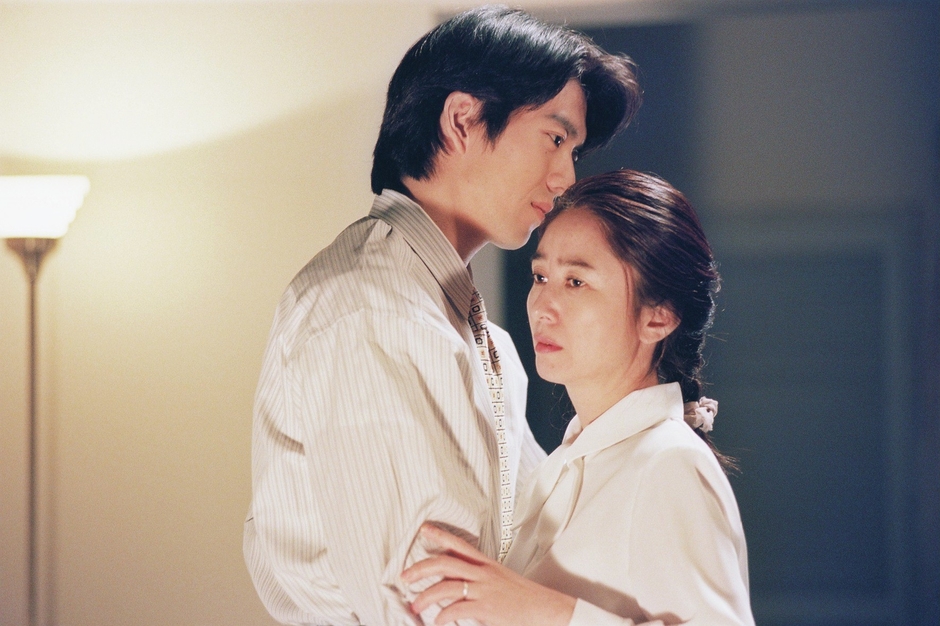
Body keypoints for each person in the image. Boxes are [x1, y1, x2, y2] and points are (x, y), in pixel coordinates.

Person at [243, 6, 642, 625]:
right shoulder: (374, 309)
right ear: (463, 120)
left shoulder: (475, 334)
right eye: (555, 138)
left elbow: (539, 544)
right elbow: (429, 605)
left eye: (573, 150)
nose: (566, 177)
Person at [402, 170, 755, 625]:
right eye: (540, 275)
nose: (541, 306)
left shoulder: (668, 463)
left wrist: (541, 609)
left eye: (576, 282)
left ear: (658, 317)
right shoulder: (562, 467)